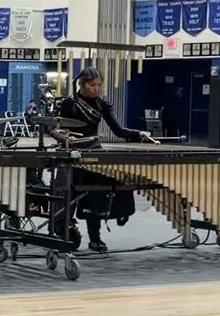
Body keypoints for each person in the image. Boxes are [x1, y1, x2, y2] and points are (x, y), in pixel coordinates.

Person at [52, 67, 154, 252]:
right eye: (92, 85)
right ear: (82, 84)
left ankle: (96, 237)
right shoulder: (68, 104)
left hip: (93, 152)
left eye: (98, 85)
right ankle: (64, 232)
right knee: (71, 193)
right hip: (71, 153)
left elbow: (119, 131)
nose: (96, 89)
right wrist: (65, 138)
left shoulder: (101, 105)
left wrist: (138, 134)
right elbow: (52, 127)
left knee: (100, 192)